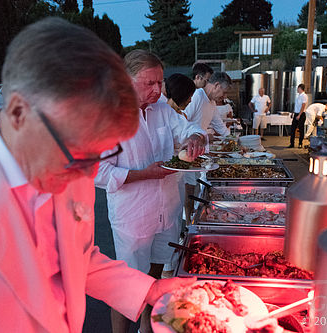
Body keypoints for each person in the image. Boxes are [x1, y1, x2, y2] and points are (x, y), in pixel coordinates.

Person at [0, 17, 196, 332]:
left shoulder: (77, 161)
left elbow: (78, 259)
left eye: (98, 153)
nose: (85, 172)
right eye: (73, 152)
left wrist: (150, 290)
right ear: (18, 112)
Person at [94, 50, 206, 332]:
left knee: (156, 271)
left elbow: (189, 128)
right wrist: (146, 173)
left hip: (166, 209)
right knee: (127, 286)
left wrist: (194, 136)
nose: (158, 90)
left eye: (160, 82)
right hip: (133, 215)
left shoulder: (164, 110)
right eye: (149, 84)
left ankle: (148, 327)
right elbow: (97, 172)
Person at [183, 71, 233, 225]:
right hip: (186, 150)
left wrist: (236, 143)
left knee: (195, 188)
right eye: (223, 92)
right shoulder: (197, 96)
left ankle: (191, 220)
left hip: (198, 152)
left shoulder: (211, 104)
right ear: (216, 85)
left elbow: (220, 127)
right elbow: (182, 119)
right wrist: (197, 136)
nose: (224, 97)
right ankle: (187, 225)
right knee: (188, 189)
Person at [289, 83, 308, 148]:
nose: (297, 89)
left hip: (301, 114)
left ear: (300, 88)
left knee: (301, 129)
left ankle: (300, 143)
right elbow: (296, 106)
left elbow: (303, 106)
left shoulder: (304, 96)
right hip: (296, 113)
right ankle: (292, 143)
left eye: (298, 88)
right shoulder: (298, 96)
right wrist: (293, 113)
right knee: (292, 129)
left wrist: (299, 115)